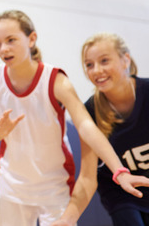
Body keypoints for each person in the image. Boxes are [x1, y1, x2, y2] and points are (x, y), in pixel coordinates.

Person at [0, 10, 147, 226]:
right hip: (12, 186)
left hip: (54, 185)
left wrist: (119, 170)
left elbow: (86, 127)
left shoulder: (55, 80)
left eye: (11, 40)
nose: (3, 48)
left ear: (31, 39)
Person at [54, 33, 149, 226]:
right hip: (121, 195)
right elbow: (88, 177)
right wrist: (67, 219)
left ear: (125, 60)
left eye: (104, 61)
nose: (97, 70)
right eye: (89, 65)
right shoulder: (89, 112)